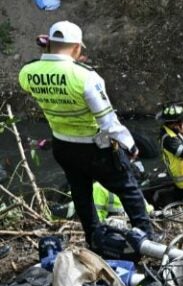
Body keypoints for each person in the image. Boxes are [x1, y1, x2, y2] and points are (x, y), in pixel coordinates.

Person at [18, 21, 153, 242]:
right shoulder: (86, 77)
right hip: (94, 147)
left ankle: (93, 237)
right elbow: (108, 121)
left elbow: (40, 73)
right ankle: (146, 238)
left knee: (80, 192)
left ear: (49, 44)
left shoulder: (28, 72)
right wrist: (130, 144)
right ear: (77, 48)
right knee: (127, 188)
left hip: (62, 146)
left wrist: (47, 54)